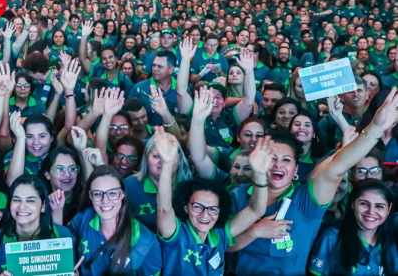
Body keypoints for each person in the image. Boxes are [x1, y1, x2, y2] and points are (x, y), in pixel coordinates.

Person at [228, 89, 398, 276]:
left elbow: (338, 165)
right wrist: (254, 231)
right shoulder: (237, 195)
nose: (278, 164)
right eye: (271, 158)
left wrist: (376, 127)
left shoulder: (306, 199)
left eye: (286, 160)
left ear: (295, 170)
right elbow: (222, 246)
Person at [156, 89, 270, 274]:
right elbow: (164, 208)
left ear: (219, 212)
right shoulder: (176, 234)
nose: (205, 214)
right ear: (185, 207)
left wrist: (260, 174)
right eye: (198, 207)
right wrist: (168, 164)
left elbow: (256, 209)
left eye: (212, 209)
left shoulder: (220, 235)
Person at [68, 165, 162, 276]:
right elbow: (65, 253)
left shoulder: (145, 241)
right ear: (90, 196)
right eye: (97, 194)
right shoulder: (82, 219)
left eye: (112, 193)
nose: (105, 201)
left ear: (122, 194)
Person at [0, 175, 75, 276]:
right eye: (16, 200)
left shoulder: (63, 234)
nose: (22, 206)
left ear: (43, 205)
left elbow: (73, 269)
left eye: (30, 200)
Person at [309, 179, 398, 275]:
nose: (371, 212)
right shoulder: (331, 238)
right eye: (364, 203)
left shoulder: (390, 243)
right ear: (352, 203)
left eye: (379, 206)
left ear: (388, 210)